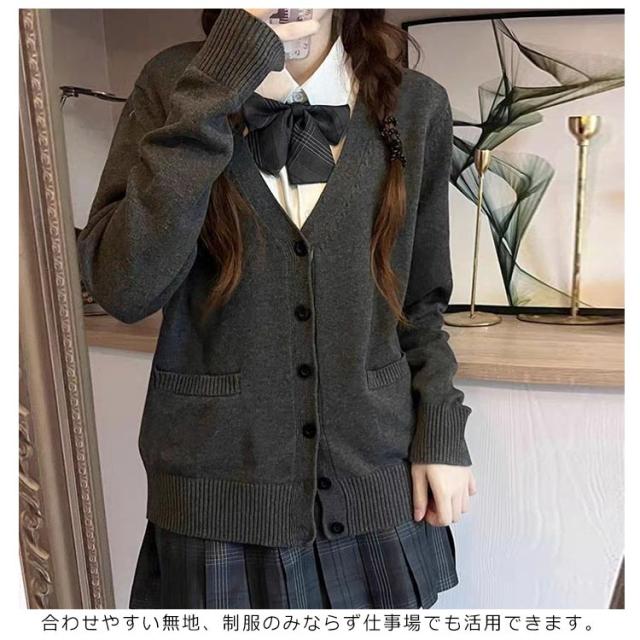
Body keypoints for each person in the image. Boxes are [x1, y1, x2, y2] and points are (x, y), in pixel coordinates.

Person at [78, 7, 477, 609]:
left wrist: (440, 429)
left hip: (376, 479)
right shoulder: (173, 83)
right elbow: (125, 287)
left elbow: (419, 304)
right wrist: (215, 88)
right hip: (218, 496)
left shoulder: (415, 104)